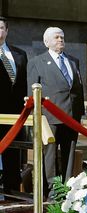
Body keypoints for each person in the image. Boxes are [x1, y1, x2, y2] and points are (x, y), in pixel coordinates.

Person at [27, 27, 84, 199]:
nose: (60, 40)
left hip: (71, 117)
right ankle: (52, 192)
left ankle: (66, 189)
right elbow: (32, 92)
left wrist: (79, 113)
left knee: (69, 155)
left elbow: (77, 90)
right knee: (49, 157)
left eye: (62, 37)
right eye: (56, 37)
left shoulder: (73, 61)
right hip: (49, 118)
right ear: (46, 42)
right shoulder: (37, 62)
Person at [0, 16, 27, 198]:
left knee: (13, 154)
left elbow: (24, 83)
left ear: (7, 31)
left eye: (1, 27)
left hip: (16, 114)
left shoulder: (19, 54)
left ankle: (11, 192)